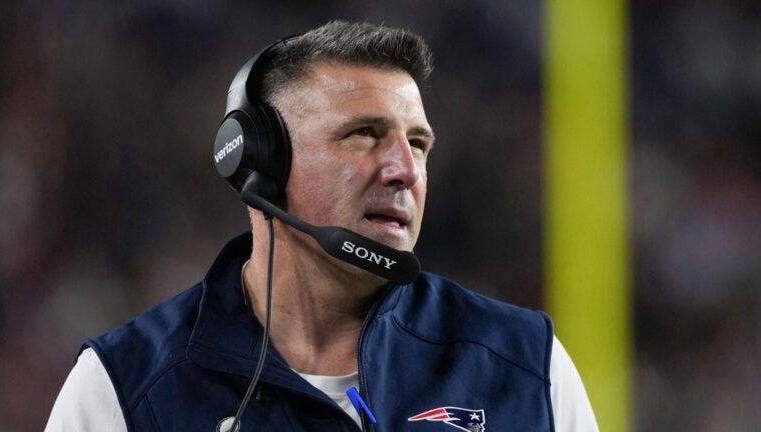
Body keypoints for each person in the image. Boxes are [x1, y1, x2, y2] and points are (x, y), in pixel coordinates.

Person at [46, 20, 598, 432]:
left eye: (419, 144)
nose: (405, 170)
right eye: (363, 134)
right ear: (260, 164)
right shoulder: (122, 386)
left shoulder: (527, 364)